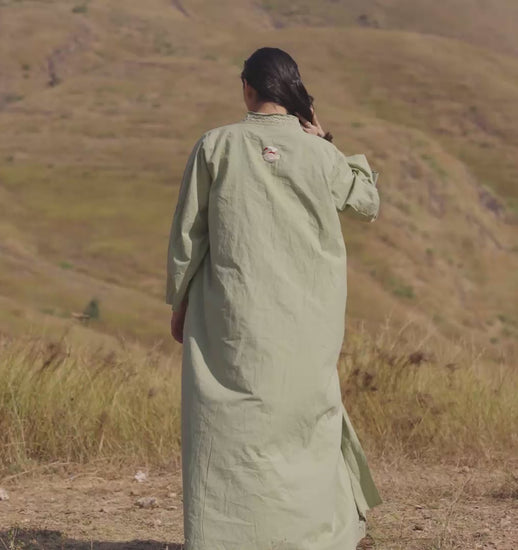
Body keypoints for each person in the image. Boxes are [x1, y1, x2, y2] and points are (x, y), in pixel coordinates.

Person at [166, 47, 382, 550]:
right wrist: (325, 139)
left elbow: (189, 236)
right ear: (290, 91)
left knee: (227, 428)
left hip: (232, 318)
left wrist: (178, 301)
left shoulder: (214, 145)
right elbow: (366, 202)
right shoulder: (319, 154)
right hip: (309, 317)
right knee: (305, 424)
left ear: (247, 88)